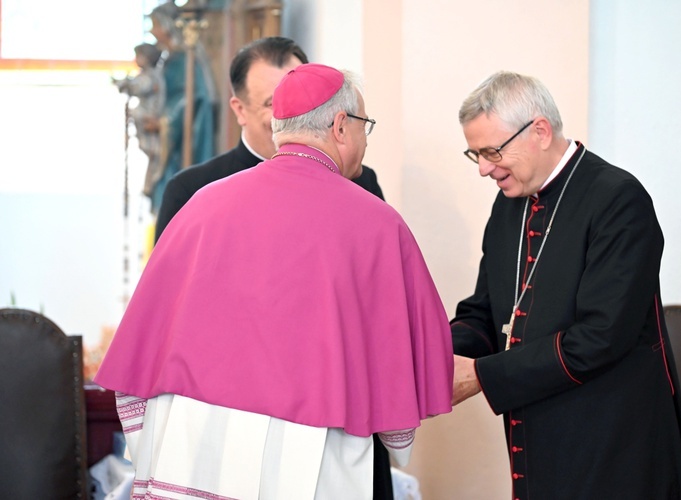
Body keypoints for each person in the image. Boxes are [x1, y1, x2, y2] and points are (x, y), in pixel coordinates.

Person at [94, 63, 453, 499]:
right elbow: (404, 374)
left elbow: (142, 350)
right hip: (316, 455)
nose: (363, 139)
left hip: (196, 451)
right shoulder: (377, 223)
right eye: (364, 127)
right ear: (341, 126)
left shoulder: (203, 205)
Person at [450, 71, 681, 499]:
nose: (485, 169)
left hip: (615, 444)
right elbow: (486, 311)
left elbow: (601, 336)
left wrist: (480, 376)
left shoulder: (618, 199)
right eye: (476, 155)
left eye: (492, 151)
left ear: (540, 132)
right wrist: (433, 353)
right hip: (538, 433)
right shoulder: (511, 202)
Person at [154, 36, 384, 243]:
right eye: (271, 103)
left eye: (301, 100)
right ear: (240, 110)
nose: (292, 115)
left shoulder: (361, 181)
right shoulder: (190, 189)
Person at [146, 1, 217, 214]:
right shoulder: (171, 58)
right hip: (170, 142)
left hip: (182, 141)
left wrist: (164, 122)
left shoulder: (184, 59)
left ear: (168, 26)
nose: (152, 31)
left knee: (172, 191)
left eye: (155, 25)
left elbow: (194, 96)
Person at [112, 42, 165, 197]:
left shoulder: (150, 76)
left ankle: (150, 187)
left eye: (139, 56)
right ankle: (148, 187)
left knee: (154, 158)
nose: (136, 59)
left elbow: (138, 87)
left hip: (150, 116)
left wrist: (125, 85)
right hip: (146, 117)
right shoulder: (147, 75)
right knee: (152, 159)